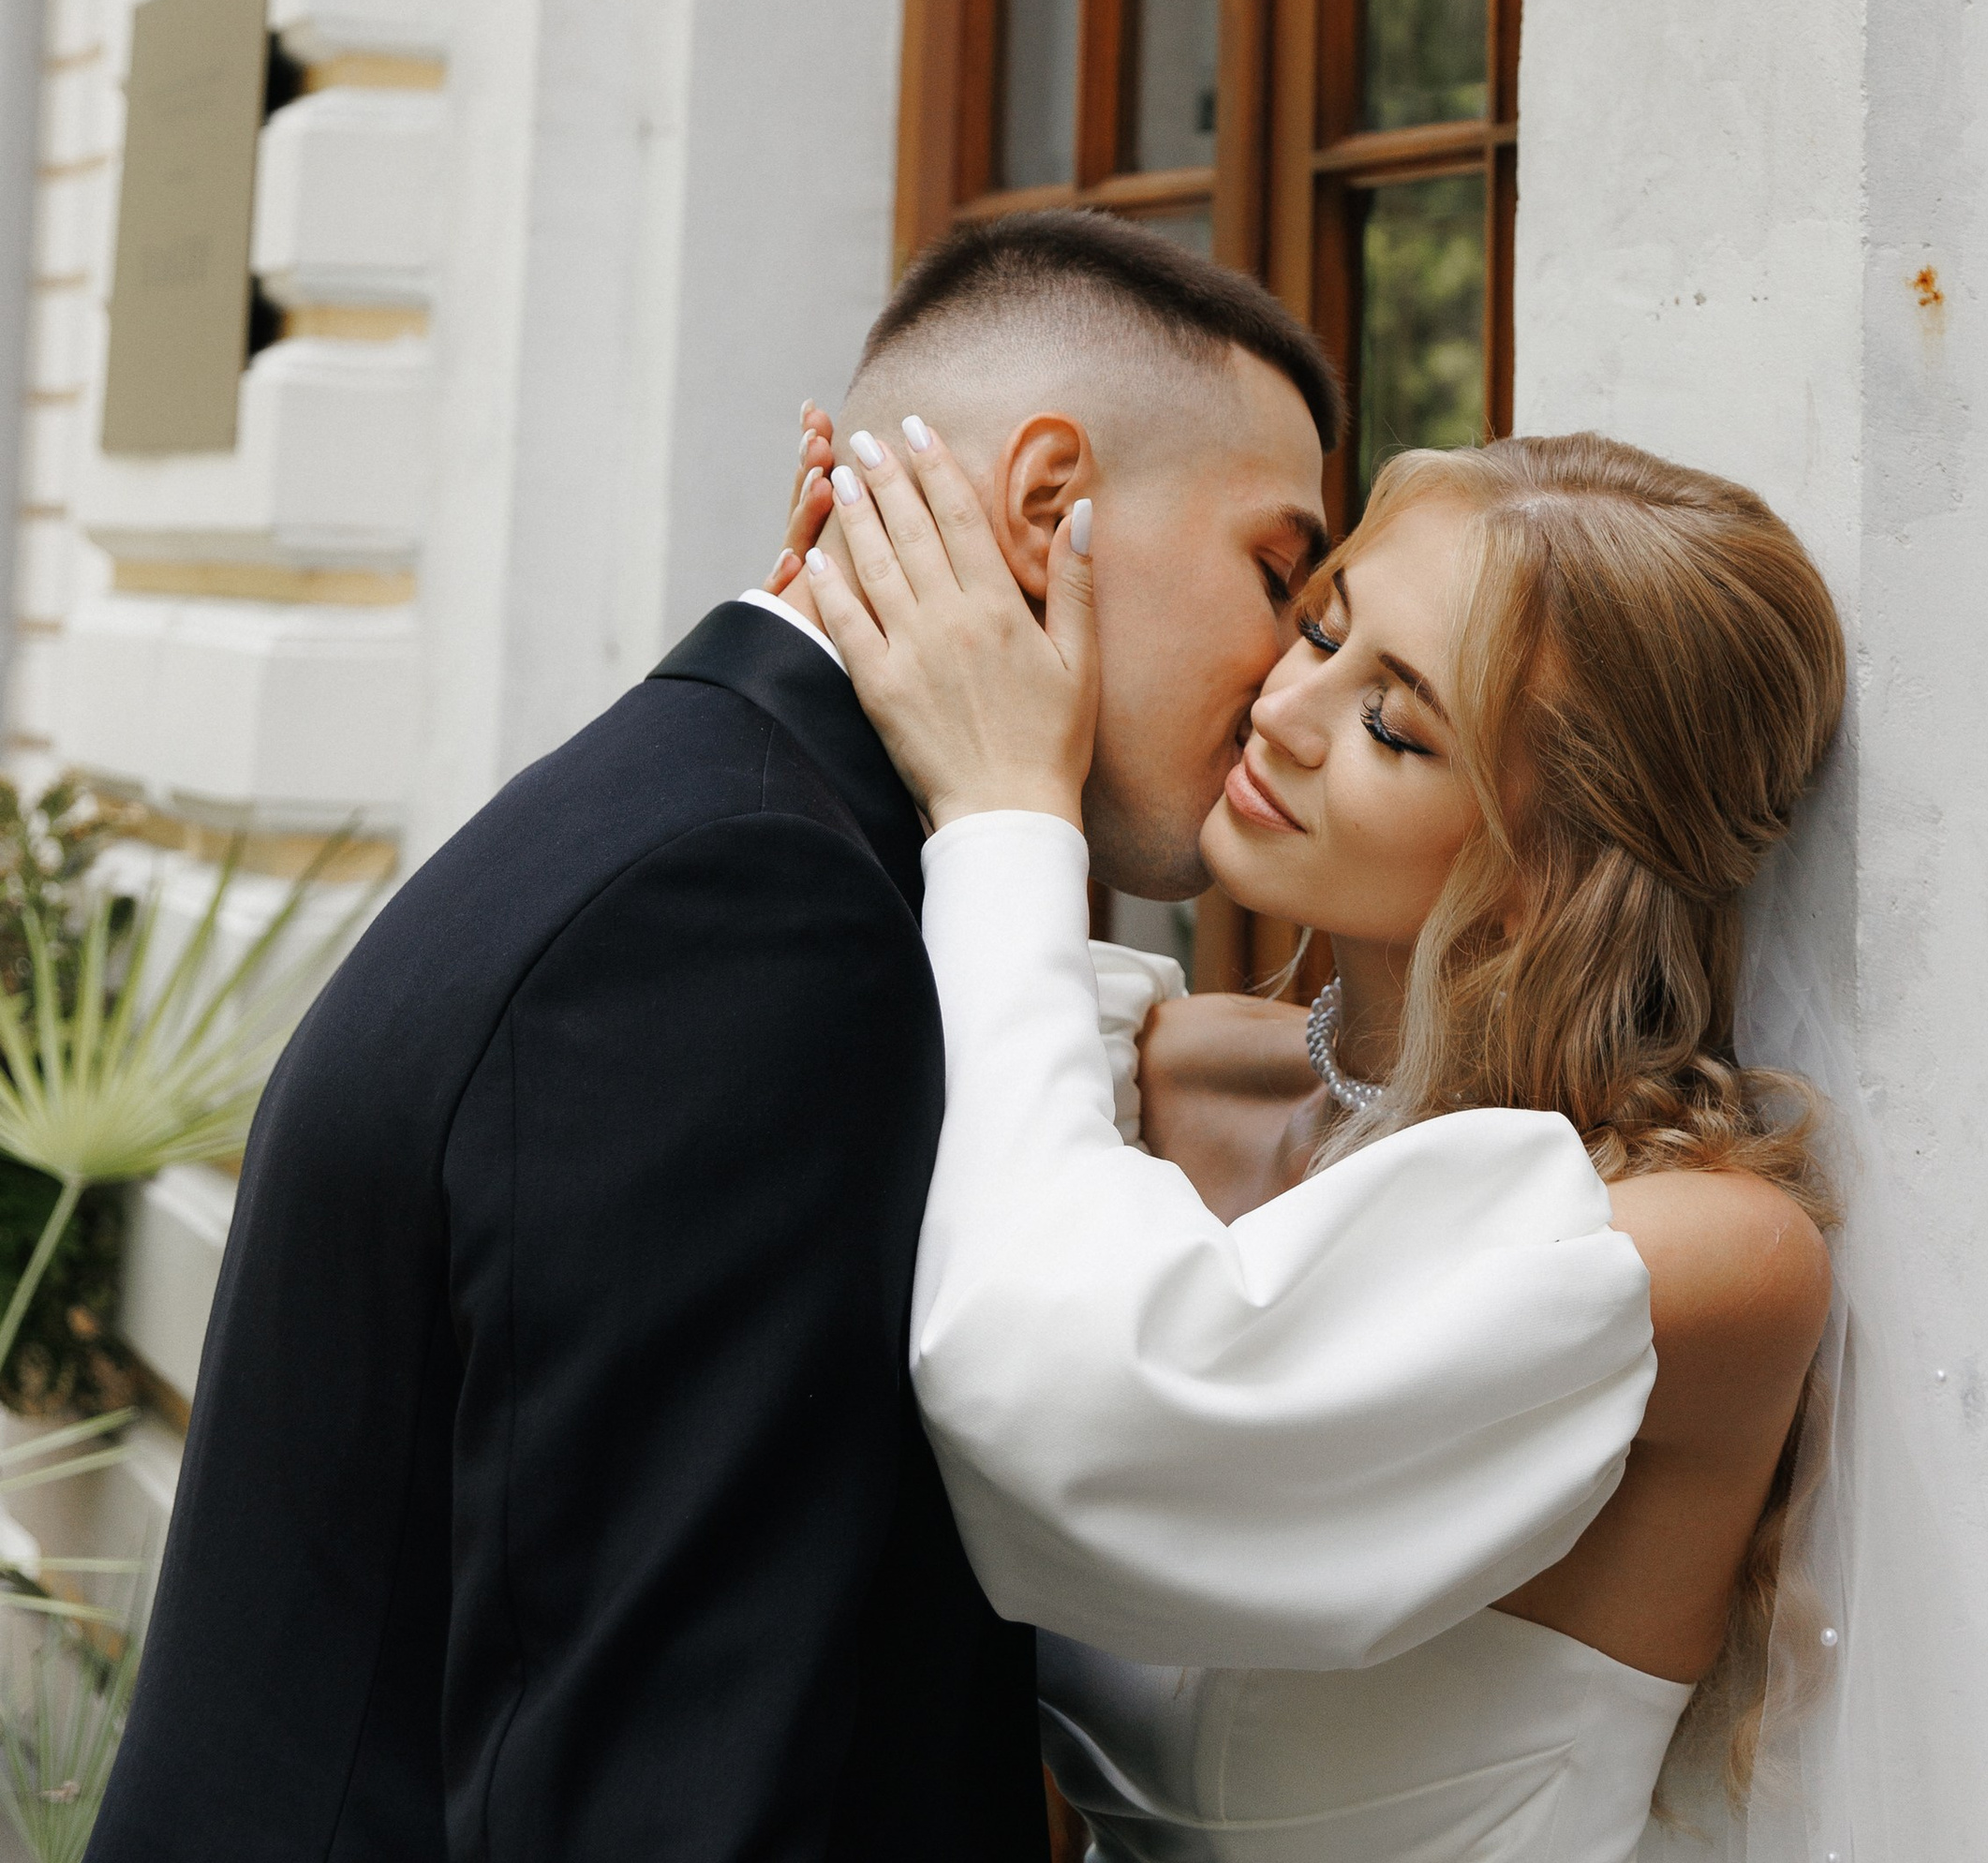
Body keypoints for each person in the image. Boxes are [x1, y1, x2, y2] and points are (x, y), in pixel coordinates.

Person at [89, 214, 1343, 1861]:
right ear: (1052, 505)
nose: (1289, 679)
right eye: (1279, 576)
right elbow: (666, 1794)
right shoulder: (744, 914)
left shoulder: (705, 814)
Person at [800, 417, 1860, 1863]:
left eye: (1392, 724)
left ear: (1555, 873)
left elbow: (1062, 1394)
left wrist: (1008, 811)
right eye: (1317, 626)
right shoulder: (1146, 1077)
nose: (1286, 709)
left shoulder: (1699, 1259)